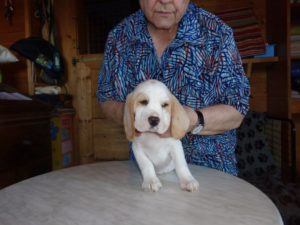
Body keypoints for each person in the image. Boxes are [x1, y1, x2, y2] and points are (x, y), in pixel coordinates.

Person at [97, 0, 250, 176]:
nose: (165, 1)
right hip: (147, 169)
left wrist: (191, 119)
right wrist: (132, 115)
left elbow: (238, 110)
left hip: (211, 169)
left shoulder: (217, 34)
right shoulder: (120, 37)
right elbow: (106, 98)